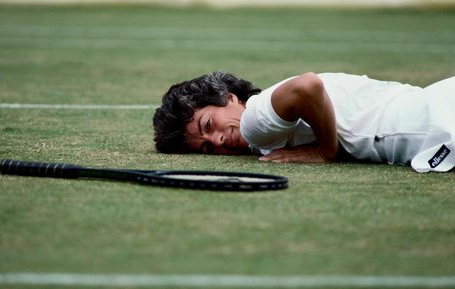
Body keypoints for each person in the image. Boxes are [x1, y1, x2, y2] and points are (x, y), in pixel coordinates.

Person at [153, 71, 455, 172]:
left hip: (436, 122)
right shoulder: (268, 116)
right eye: (207, 149)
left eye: (209, 126)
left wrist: (325, 151)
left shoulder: (254, 123)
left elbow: (306, 86)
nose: (217, 140)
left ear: (230, 97)